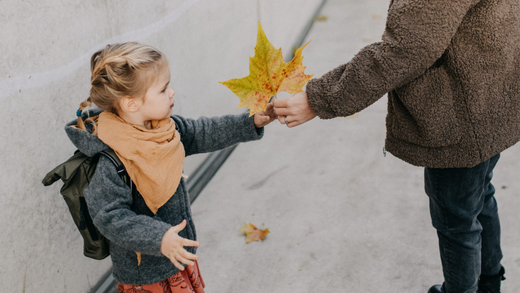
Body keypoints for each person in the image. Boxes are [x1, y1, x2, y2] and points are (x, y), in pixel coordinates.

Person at [273, 1, 519, 293]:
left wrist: (319, 99)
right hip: (491, 93)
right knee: (479, 196)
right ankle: (488, 282)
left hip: (463, 114)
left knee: (458, 220)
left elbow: (404, 50)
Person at [66, 42, 276, 293]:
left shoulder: (166, 128)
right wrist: (159, 238)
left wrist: (250, 122)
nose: (172, 92)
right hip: (146, 273)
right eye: (163, 89)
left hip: (176, 255)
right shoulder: (112, 160)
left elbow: (202, 133)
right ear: (131, 104)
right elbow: (110, 217)